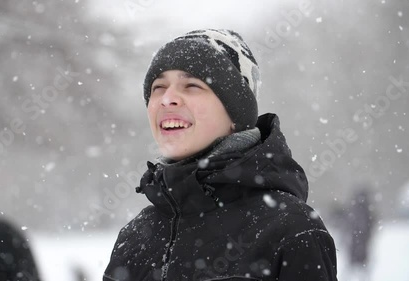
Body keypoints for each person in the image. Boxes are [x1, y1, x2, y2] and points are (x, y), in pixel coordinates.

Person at [103, 29, 338, 281]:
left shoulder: (292, 230)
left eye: (192, 85)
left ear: (236, 114)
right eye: (158, 87)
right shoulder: (135, 237)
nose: (166, 98)